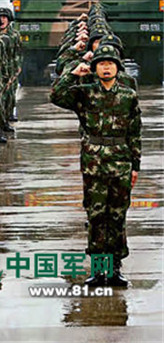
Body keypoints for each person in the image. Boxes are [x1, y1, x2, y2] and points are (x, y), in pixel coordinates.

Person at [50, 44, 141, 287]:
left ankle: (115, 268)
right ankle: (99, 269)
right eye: (101, 63)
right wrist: (72, 74)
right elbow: (56, 96)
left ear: (118, 68)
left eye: (110, 63)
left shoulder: (128, 96)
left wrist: (135, 166)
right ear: (95, 68)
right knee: (96, 214)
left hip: (121, 161)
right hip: (94, 162)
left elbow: (135, 133)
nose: (106, 67)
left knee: (117, 215)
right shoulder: (85, 93)